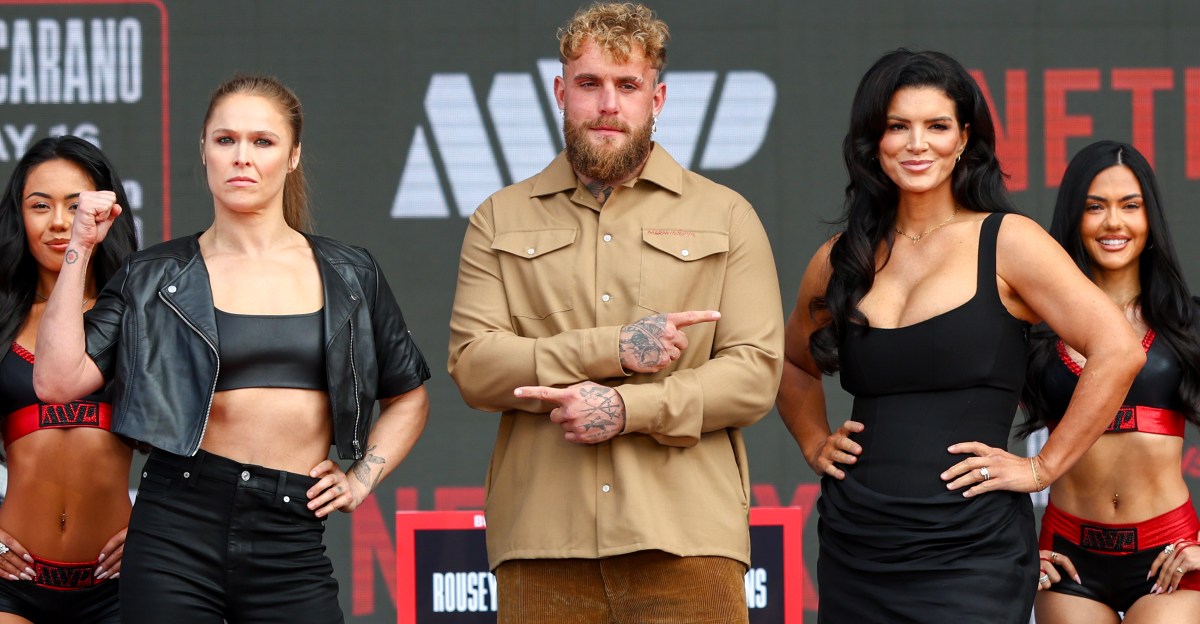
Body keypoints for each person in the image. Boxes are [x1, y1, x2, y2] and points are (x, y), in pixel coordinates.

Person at [32, 75, 431, 623]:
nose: (242, 156)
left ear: (293, 156)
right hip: (176, 526)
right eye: (226, 140)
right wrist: (79, 246)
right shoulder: (153, 274)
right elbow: (56, 381)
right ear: (204, 150)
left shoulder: (350, 272)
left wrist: (362, 478)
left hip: (291, 536)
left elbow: (408, 396)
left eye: (262, 141)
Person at [776, 49, 1145, 623]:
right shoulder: (840, 258)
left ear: (964, 138)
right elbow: (792, 363)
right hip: (858, 540)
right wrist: (812, 440)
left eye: (937, 126)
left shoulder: (1009, 241)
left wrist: (1041, 469)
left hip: (973, 547)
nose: (917, 144)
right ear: (874, 140)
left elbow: (1118, 350)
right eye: (898, 126)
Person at [447, 3, 783, 622]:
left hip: (687, 538)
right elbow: (474, 366)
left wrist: (629, 409)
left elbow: (755, 374)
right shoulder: (499, 218)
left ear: (657, 98)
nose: (608, 105)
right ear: (560, 93)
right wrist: (614, 349)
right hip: (543, 539)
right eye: (589, 84)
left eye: (627, 85)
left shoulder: (726, 214)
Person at [1022, 140, 1200, 623]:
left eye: (1130, 206)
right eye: (1095, 207)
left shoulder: (1187, 324)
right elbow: (972, 426)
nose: (1113, 222)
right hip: (1068, 559)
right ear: (1074, 218)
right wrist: (1016, 548)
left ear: (1150, 218)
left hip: (1169, 555)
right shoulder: (1035, 329)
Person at [0, 136, 137, 623]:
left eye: (76, 206)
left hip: (118, 588)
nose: (60, 222)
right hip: (11, 586)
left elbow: (199, 441)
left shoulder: (138, 315)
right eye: (40, 206)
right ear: (19, 217)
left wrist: (155, 529)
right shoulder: (3, 319)